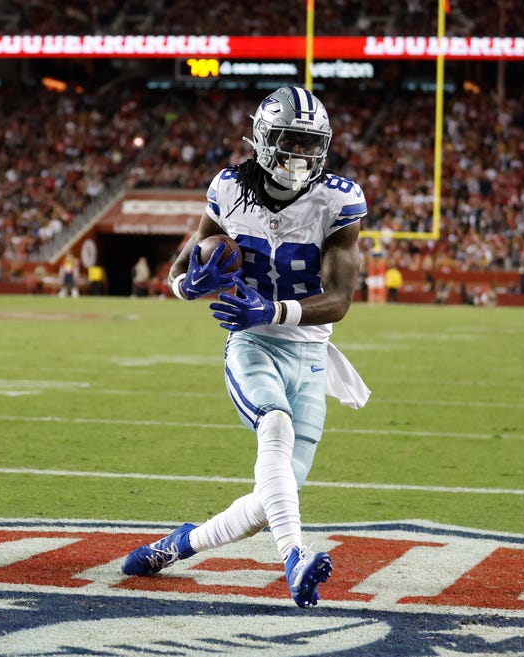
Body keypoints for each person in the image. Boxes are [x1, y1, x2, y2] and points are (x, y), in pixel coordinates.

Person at [121, 86, 370, 609]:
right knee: (273, 427)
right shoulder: (229, 187)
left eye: (309, 144)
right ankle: (295, 557)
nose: (300, 155)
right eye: (289, 141)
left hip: (311, 352)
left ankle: (177, 544)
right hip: (251, 342)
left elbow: (341, 300)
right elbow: (183, 264)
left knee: (271, 501)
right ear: (262, 139)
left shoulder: (339, 199)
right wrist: (186, 284)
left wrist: (274, 309)